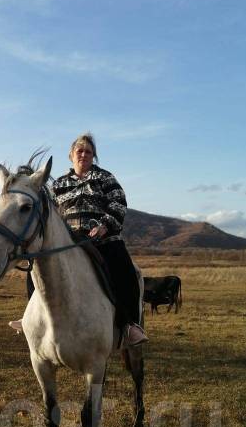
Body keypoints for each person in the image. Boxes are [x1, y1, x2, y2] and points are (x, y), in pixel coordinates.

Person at [9, 132, 148, 347]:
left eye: (88, 151)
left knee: (125, 270)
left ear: (94, 156)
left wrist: (104, 226)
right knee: (35, 265)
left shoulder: (105, 178)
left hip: (104, 240)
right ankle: (30, 317)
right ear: (71, 155)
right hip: (69, 242)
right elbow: (49, 213)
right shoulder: (60, 184)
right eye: (79, 151)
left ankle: (129, 324)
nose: (83, 154)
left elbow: (119, 203)